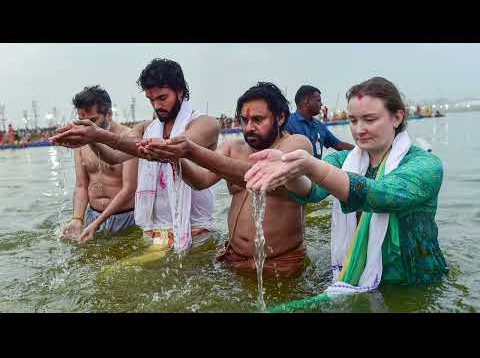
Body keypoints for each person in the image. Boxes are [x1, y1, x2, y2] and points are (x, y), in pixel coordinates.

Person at [245, 77, 448, 291]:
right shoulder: (344, 160)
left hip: (415, 281)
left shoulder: (425, 165)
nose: (359, 129)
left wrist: (314, 167)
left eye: (369, 120)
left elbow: (383, 195)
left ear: (397, 117)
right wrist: (290, 169)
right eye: (352, 120)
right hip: (356, 273)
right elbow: (311, 191)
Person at [51, 58, 219, 257]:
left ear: (180, 91)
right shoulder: (146, 128)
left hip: (195, 231)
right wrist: (90, 138)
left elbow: (174, 148)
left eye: (163, 98)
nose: (157, 105)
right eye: (151, 100)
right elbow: (114, 156)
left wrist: (99, 134)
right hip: (154, 232)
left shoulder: (205, 124)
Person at [144, 82, 313, 278]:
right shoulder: (233, 148)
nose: (249, 127)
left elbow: (260, 175)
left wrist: (192, 150)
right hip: (232, 256)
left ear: (281, 117)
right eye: (244, 120)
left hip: (281, 262)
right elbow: (201, 181)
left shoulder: (296, 144)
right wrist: (173, 157)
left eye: (258, 120)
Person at [60, 86, 138, 243]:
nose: (85, 127)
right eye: (81, 122)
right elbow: (81, 185)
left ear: (109, 114)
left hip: (125, 218)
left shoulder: (129, 138)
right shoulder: (81, 140)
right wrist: (77, 219)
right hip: (92, 216)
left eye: (93, 121)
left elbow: (129, 189)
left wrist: (97, 224)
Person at [285, 85, 354, 159]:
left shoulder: (319, 126)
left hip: (316, 169)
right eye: (318, 100)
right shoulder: (287, 123)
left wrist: (362, 150)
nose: (321, 104)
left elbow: (339, 145)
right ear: (307, 101)